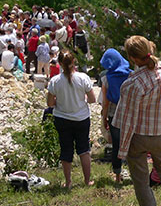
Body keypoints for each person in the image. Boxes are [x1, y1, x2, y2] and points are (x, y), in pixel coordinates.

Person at [112, 36, 161, 206]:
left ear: (132, 58)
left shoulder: (133, 83)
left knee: (141, 182)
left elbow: (127, 120)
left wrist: (121, 150)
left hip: (139, 137)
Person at [47, 51, 96, 189]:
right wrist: (82, 100)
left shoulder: (55, 81)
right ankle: (87, 181)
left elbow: (50, 103)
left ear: (60, 64)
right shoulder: (83, 78)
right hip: (81, 117)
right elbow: (92, 99)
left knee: (66, 150)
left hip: (62, 118)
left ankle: (68, 182)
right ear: (74, 62)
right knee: (84, 149)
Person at [100, 48, 131, 183]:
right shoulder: (131, 75)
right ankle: (135, 174)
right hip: (130, 115)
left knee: (117, 146)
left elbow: (105, 103)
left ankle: (118, 176)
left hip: (114, 115)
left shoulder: (106, 79)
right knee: (132, 145)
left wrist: (104, 118)